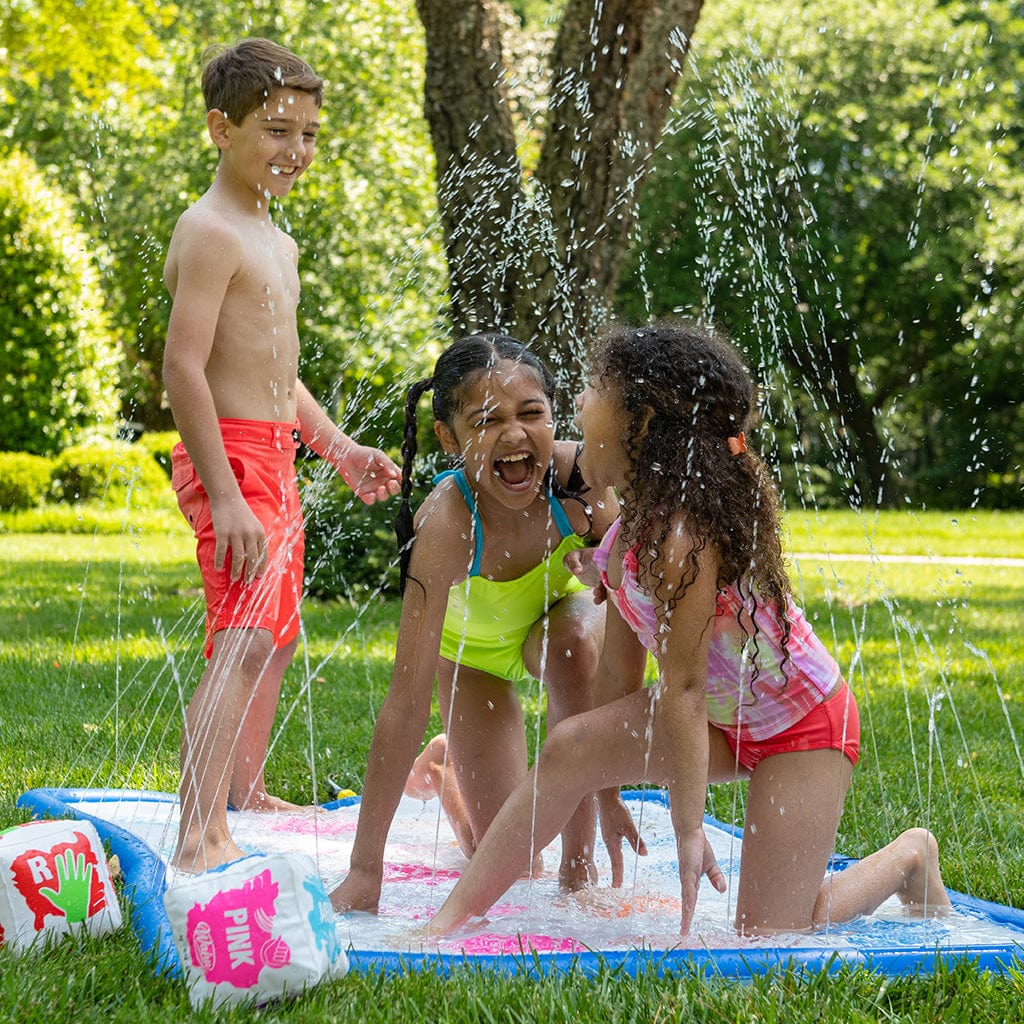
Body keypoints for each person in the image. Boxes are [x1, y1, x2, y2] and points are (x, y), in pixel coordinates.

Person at [422, 320, 951, 937]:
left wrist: (689, 829)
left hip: (801, 725)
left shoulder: (683, 539)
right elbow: (622, 671)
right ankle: (447, 922)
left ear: (639, 427)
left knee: (770, 933)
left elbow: (683, 689)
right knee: (571, 747)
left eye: (595, 388)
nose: (582, 400)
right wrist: (607, 784)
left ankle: (910, 856)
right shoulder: (626, 531)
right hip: (719, 721)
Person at [162, 38, 401, 873]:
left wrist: (333, 448)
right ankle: (198, 832)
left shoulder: (275, 238)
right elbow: (183, 368)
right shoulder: (210, 231)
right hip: (228, 459)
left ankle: (243, 794)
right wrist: (225, 494)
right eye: (276, 130)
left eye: (307, 134)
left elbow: (278, 373)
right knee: (242, 640)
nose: (295, 151)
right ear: (221, 129)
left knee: (276, 636)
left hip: (272, 456)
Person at [329, 333, 619, 914]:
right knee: (508, 861)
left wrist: (597, 572)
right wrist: (365, 871)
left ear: (553, 417)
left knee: (572, 643)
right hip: (473, 656)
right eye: (486, 420)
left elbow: (632, 603)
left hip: (558, 629)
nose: (514, 434)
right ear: (448, 437)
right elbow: (404, 701)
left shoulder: (578, 482)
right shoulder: (445, 522)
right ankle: (444, 767)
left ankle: (580, 869)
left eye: (531, 413)